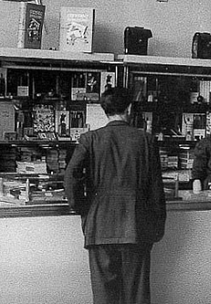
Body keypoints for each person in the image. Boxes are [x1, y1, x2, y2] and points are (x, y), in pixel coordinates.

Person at [64, 87, 166, 304]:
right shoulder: (146, 140)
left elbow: (71, 176)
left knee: (104, 297)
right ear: (129, 109)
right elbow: (156, 189)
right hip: (136, 227)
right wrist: (157, 228)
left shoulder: (89, 139)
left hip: (100, 226)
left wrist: (83, 208)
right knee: (137, 297)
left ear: (105, 110)